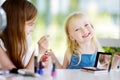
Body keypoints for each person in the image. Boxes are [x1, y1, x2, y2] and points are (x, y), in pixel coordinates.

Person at [0, 0, 50, 71]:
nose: (32, 30)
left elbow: (24, 69)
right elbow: (16, 74)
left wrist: (39, 63)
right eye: (30, 24)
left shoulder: (25, 40)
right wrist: (38, 52)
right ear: (15, 24)